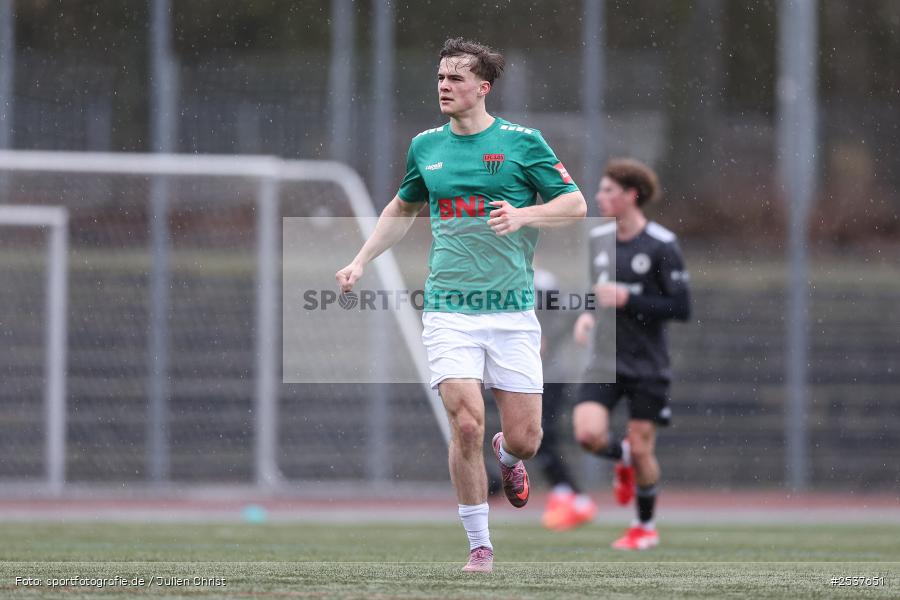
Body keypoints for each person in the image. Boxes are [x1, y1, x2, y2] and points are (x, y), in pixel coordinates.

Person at [335, 38, 586, 572]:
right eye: (440, 77)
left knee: (527, 437)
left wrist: (524, 216)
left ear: (483, 87)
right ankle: (480, 545)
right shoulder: (426, 146)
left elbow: (575, 204)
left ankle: (509, 455)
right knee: (465, 423)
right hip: (449, 308)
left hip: (513, 312)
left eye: (455, 78)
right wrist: (361, 260)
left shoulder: (522, 143)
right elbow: (401, 209)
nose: (444, 86)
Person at [572, 158, 691, 550]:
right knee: (587, 434)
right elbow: (596, 291)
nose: (599, 196)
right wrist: (588, 316)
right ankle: (621, 456)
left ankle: (645, 527)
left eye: (608, 190)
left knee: (644, 448)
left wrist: (630, 298)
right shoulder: (597, 241)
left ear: (631, 195)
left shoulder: (662, 244)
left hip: (647, 363)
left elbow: (681, 307)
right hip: (604, 360)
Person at [532, 268, 597, 531]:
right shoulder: (499, 279)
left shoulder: (542, 282)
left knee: (543, 435)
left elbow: (566, 315)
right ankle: (567, 495)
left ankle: (572, 497)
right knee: (534, 438)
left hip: (549, 376)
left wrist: (546, 337)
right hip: (523, 375)